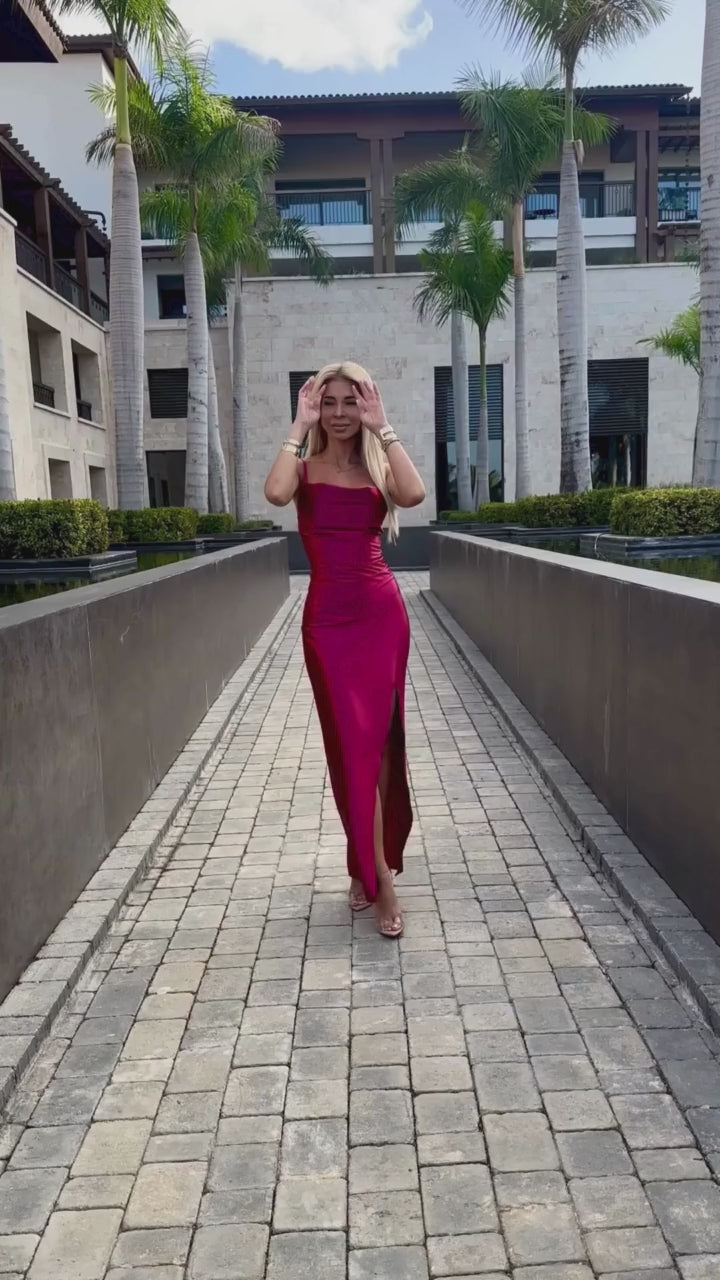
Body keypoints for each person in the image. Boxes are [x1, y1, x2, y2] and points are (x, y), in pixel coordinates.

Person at [264, 361, 426, 937]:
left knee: (379, 750)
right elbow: (275, 492)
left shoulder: (377, 468)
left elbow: (414, 493)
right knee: (349, 749)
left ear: (364, 405)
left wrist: (384, 427)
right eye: (327, 402)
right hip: (328, 626)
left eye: (349, 402)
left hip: (380, 616)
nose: (337, 413)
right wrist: (297, 425)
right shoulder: (303, 470)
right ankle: (376, 873)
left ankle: (370, 868)